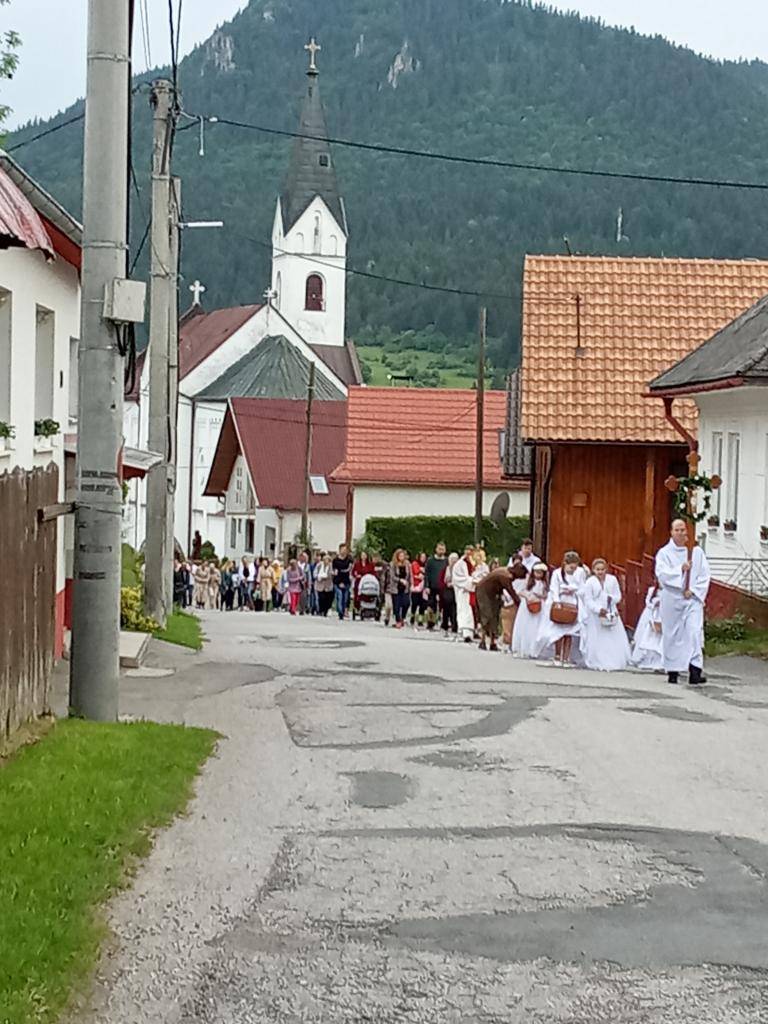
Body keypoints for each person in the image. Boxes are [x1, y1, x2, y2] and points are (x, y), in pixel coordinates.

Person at [655, 520, 711, 686]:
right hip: (672, 598)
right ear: (671, 532)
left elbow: (704, 574)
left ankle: (695, 670)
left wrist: (692, 590)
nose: (680, 533)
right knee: (673, 634)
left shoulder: (696, 552)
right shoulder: (664, 553)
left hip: (691, 599)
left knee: (693, 631)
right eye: (677, 530)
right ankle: (673, 670)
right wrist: (680, 570)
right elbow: (662, 575)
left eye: (683, 530)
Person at [537, 550, 588, 667]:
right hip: (561, 601)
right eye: (571, 567)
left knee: (569, 632)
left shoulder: (580, 572)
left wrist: (574, 590)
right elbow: (554, 588)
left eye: (575, 566)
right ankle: (557, 655)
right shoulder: (557, 573)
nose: (573, 569)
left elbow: (582, 588)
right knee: (558, 631)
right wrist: (557, 601)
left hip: (573, 602)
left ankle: (566, 657)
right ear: (565, 563)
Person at [580, 558, 631, 671]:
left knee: (611, 636)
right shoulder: (590, 582)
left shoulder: (612, 580)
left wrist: (610, 599)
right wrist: (598, 609)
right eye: (598, 569)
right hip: (595, 614)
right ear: (593, 570)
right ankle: (597, 660)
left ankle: (613, 660)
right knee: (597, 637)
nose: (600, 572)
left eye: (602, 569)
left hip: (610, 610)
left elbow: (618, 596)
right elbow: (588, 600)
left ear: (606, 569)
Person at [475, 565, 519, 651]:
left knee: (495, 615)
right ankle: (483, 640)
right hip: (483, 592)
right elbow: (511, 591)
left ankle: (492, 641)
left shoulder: (504, 571)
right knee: (487, 615)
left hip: (493, 593)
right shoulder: (505, 575)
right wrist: (519, 602)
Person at [512, 562, 549, 658]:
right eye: (536, 572)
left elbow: (545, 595)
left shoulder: (544, 584)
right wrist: (528, 596)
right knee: (525, 626)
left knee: (536, 627)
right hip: (527, 605)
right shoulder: (528, 581)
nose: (538, 575)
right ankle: (524, 649)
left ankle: (534, 650)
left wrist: (540, 596)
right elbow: (520, 591)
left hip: (539, 606)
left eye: (540, 573)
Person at [631, 579, 664, 671]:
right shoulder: (652, 590)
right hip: (651, 614)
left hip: (663, 614)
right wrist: (654, 604)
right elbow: (647, 602)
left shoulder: (669, 592)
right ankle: (646, 658)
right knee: (648, 635)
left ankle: (660, 659)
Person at [451, 546, 476, 644]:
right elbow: (458, 578)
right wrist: (471, 581)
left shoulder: (475, 563)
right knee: (464, 610)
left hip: (473, 591)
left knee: (472, 612)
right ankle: (465, 631)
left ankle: (472, 631)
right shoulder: (459, 564)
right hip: (463, 591)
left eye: (471, 551)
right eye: (468, 551)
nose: (469, 553)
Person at [503, 557, 528, 652]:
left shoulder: (524, 576)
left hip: (519, 602)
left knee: (516, 624)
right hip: (509, 600)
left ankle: (514, 644)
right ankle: (506, 643)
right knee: (507, 623)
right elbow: (505, 588)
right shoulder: (507, 574)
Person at [424, 542, 448, 631]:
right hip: (432, 586)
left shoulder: (446, 561)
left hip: (443, 587)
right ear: (436, 549)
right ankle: (430, 622)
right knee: (431, 606)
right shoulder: (430, 560)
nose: (441, 551)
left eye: (443, 549)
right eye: (439, 549)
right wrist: (426, 586)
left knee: (445, 605)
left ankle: (444, 623)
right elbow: (426, 574)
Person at [388, 548, 412, 628]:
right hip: (396, 587)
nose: (402, 557)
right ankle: (398, 620)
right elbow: (392, 576)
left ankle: (403, 617)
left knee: (406, 603)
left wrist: (411, 584)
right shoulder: (392, 564)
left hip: (405, 587)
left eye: (403, 556)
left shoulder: (407, 564)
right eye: (400, 556)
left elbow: (410, 575)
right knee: (397, 605)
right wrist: (400, 580)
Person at [332, 544, 353, 620]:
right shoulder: (335, 560)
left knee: (345, 598)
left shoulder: (349, 560)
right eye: (343, 549)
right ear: (340, 550)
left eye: (345, 550)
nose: (344, 551)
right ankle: (340, 611)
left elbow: (350, 570)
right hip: (338, 581)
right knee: (339, 597)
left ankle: (344, 611)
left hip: (346, 581)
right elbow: (335, 572)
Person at [440, 553, 459, 638]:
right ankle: (445, 624)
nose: (454, 562)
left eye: (455, 560)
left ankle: (454, 625)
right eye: (452, 560)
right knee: (446, 608)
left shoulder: (459, 570)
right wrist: (446, 585)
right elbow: (441, 581)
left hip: (456, 590)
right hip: (447, 590)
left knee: (454, 609)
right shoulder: (445, 569)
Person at [409, 552, 427, 628]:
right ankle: (412, 617)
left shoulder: (426, 565)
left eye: (424, 557)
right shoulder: (415, 563)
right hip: (416, 587)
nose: (423, 559)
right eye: (422, 557)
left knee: (422, 605)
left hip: (423, 588)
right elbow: (416, 573)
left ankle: (420, 620)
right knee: (414, 604)